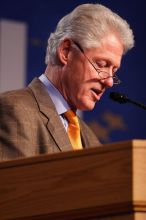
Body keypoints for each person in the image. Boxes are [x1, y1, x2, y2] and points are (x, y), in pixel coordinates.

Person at [0, 3, 134, 161]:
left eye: (114, 71)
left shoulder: (90, 139)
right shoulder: (16, 110)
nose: (109, 81)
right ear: (66, 52)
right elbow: (14, 185)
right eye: (102, 65)